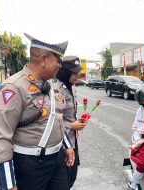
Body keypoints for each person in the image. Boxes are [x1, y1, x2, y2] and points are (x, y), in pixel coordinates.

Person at [0, 33, 74, 190]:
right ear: (43, 59)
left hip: (57, 159)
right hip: (30, 165)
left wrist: (67, 146)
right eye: (58, 60)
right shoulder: (14, 87)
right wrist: (9, 186)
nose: (60, 66)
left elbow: (55, 119)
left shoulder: (49, 85)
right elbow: (1, 139)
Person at [51, 55, 87, 188]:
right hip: (62, 144)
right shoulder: (56, 89)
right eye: (74, 73)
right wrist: (72, 125)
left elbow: (69, 114)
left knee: (72, 176)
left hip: (73, 140)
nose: (77, 76)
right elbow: (53, 118)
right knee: (64, 180)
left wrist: (78, 121)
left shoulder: (71, 88)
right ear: (65, 72)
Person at [129, 83, 144, 190]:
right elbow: (138, 128)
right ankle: (134, 183)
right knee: (143, 161)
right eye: (143, 98)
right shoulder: (141, 110)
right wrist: (138, 140)